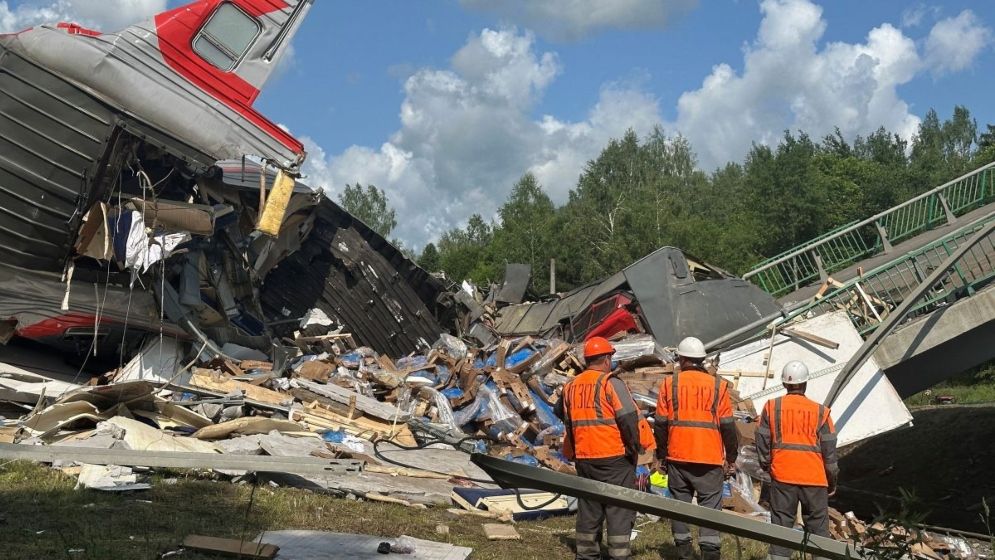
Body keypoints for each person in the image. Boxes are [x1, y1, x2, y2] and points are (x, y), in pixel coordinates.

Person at [556, 336, 645, 560]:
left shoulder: (571, 386)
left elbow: (561, 412)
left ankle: (586, 555)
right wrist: (634, 448)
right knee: (619, 508)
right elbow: (628, 419)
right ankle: (618, 554)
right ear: (606, 359)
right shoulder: (610, 383)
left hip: (584, 457)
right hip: (614, 457)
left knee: (589, 507)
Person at [654, 336, 737, 560]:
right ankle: (710, 554)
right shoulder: (718, 386)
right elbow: (728, 426)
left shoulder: (669, 384)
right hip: (709, 460)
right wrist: (731, 457)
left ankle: (684, 553)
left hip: (678, 456)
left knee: (680, 507)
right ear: (702, 360)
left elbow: (660, 424)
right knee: (709, 508)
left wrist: (661, 455)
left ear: (681, 359)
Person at [757, 361, 839, 560]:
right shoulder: (822, 412)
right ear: (805, 384)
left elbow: (762, 441)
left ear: (785, 384)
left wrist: (768, 466)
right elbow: (830, 454)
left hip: (783, 476)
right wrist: (832, 480)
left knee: (781, 527)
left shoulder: (772, 407)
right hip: (815, 480)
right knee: (818, 529)